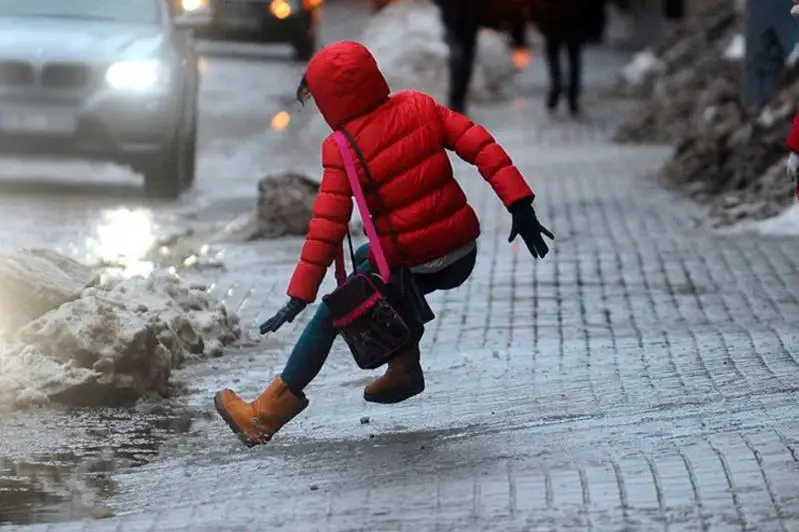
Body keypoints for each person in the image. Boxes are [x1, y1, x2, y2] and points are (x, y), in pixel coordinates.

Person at [213, 41, 554, 447]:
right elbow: (482, 146)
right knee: (365, 261)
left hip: (415, 261)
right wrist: (520, 206)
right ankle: (404, 369)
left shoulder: (341, 147)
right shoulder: (419, 105)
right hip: (461, 252)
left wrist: (299, 296)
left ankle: (264, 414)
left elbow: (327, 224)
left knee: (334, 309)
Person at [530, 0, 594, 116]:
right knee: (574, 56)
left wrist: (537, 16)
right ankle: (573, 95)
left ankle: (557, 84)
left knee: (553, 54)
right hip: (574, 18)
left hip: (553, 17)